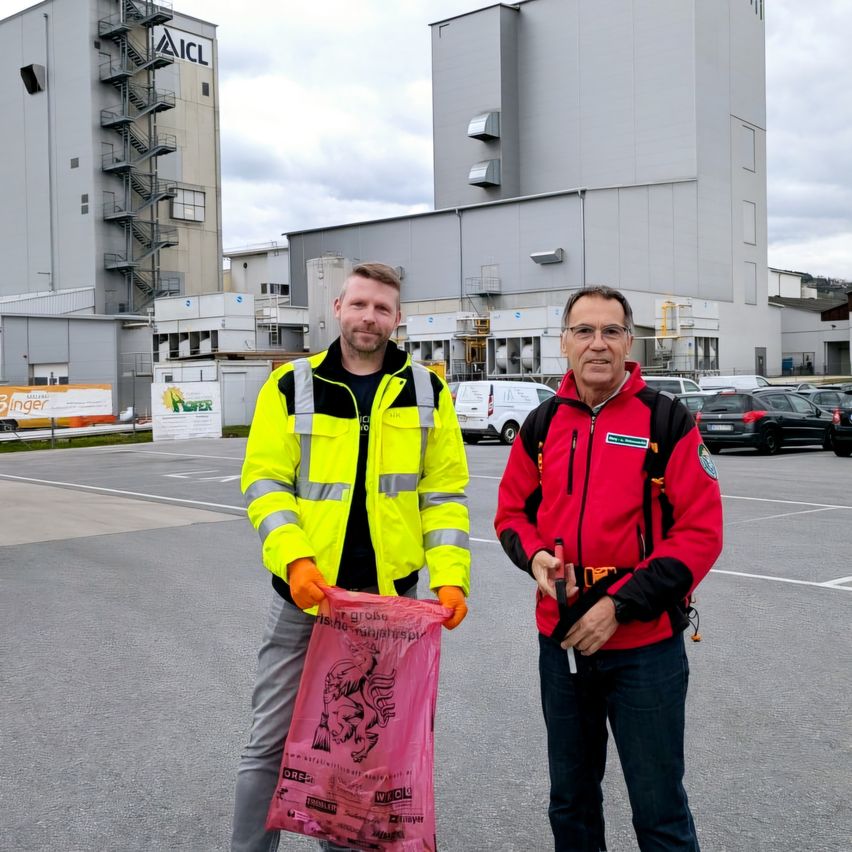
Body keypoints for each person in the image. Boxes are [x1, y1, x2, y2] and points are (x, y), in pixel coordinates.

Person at [232, 262, 471, 852]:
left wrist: (450, 578)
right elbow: (265, 483)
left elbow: (443, 495)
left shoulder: (427, 390)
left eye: (382, 308)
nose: (370, 317)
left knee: (359, 745)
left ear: (398, 319)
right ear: (337, 307)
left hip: (389, 605)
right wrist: (295, 561)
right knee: (271, 741)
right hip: (306, 598)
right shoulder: (291, 385)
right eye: (360, 304)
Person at [494, 285, 723, 852]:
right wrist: (535, 557)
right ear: (564, 342)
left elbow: (701, 533)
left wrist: (619, 606)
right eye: (584, 331)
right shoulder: (543, 424)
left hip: (645, 647)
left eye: (611, 331)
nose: (598, 344)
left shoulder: (667, 420)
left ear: (629, 341)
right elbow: (510, 513)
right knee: (570, 803)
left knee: (659, 810)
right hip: (563, 643)